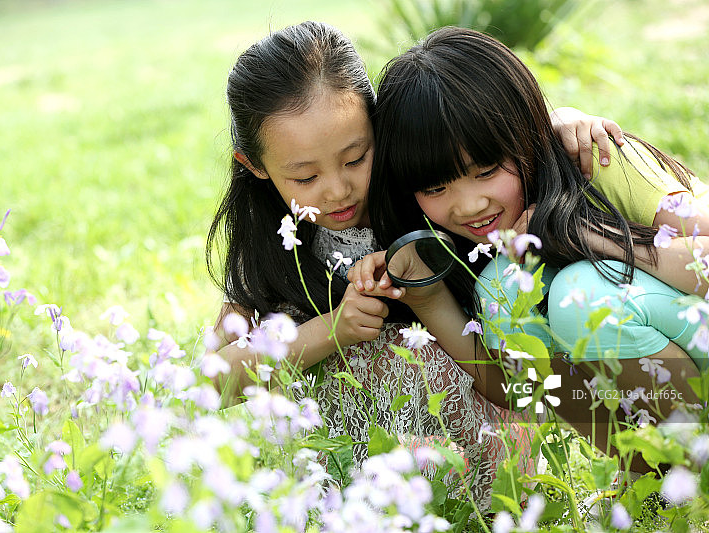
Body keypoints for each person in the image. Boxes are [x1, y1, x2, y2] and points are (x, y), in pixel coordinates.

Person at [206, 21, 625, 508]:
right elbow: (213, 382)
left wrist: (558, 124)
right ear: (254, 166)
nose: (337, 190)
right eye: (305, 176)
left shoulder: (430, 195)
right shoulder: (268, 245)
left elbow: (490, 146)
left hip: (480, 465)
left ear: (380, 126)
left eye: (356, 158)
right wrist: (331, 330)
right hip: (339, 483)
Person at [349, 26, 707, 456]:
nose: (468, 205)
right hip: (668, 385)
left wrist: (591, 236)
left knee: (580, 293)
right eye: (436, 188)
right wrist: (427, 298)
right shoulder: (469, 249)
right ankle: (648, 474)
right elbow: (514, 390)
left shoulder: (596, 158)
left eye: (485, 171)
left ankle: (694, 463)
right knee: (502, 287)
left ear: (527, 136)